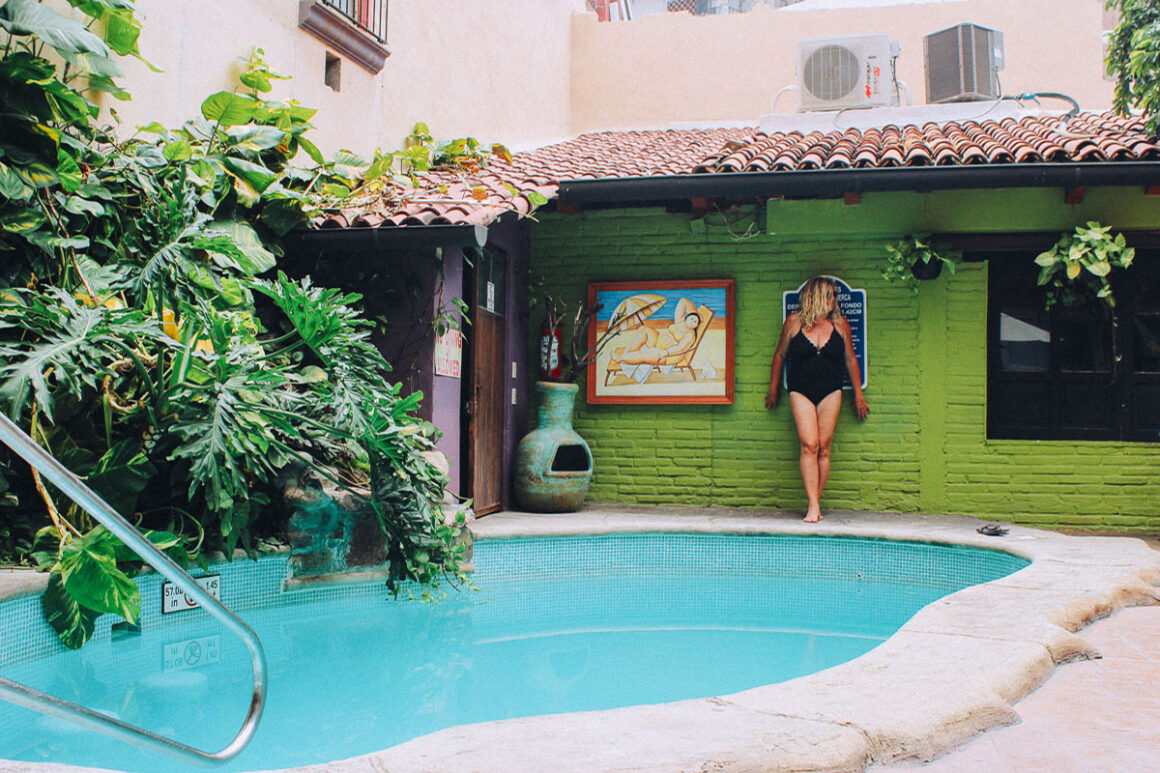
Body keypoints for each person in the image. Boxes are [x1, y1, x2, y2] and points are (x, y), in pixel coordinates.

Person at [764, 277, 869, 523]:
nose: (835, 300)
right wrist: (773, 387)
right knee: (809, 444)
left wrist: (859, 394)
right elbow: (779, 355)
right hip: (800, 390)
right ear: (817, 295)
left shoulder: (840, 324)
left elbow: (851, 360)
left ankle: (814, 503)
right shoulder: (793, 322)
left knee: (824, 447)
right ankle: (813, 504)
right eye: (830, 294)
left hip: (831, 390)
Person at [611, 297, 701, 366]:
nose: (693, 322)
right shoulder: (680, 321)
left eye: (695, 322)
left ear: (697, 326)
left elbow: (681, 348)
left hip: (669, 355)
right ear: (687, 317)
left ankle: (620, 358)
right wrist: (696, 313)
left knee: (643, 354)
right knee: (643, 329)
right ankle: (630, 354)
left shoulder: (690, 335)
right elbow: (683, 301)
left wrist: (666, 352)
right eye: (692, 318)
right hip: (659, 341)